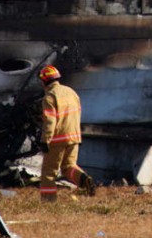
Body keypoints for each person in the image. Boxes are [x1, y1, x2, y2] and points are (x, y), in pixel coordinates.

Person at [37, 65, 97, 201]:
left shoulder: (49, 97)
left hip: (57, 139)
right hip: (74, 137)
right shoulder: (71, 92)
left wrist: (45, 140)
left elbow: (50, 121)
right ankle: (85, 179)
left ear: (44, 81)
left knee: (49, 172)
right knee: (69, 166)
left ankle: (48, 200)